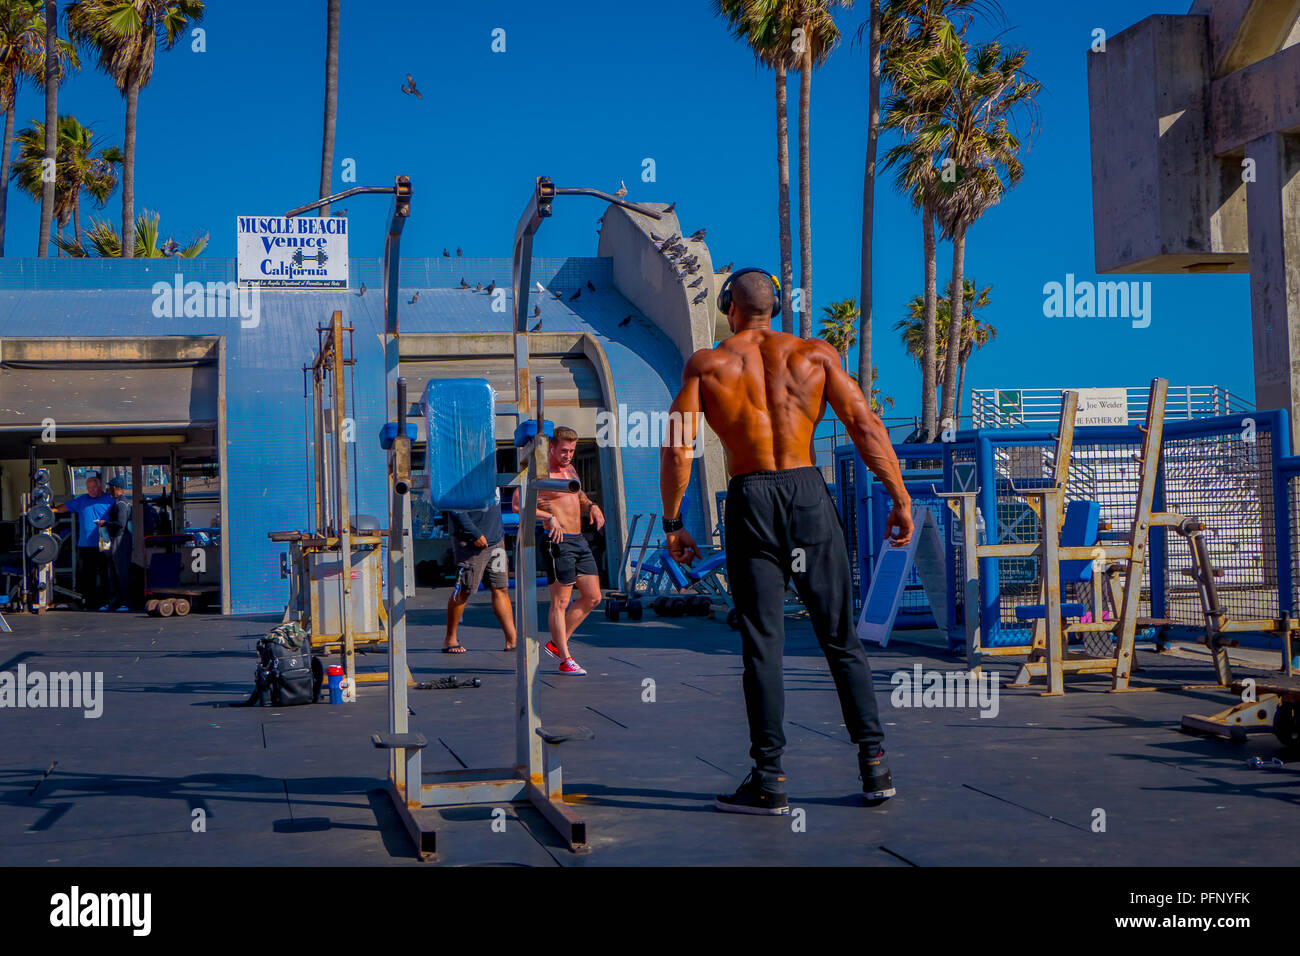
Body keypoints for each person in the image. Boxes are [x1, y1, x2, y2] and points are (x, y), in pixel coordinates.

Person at [658, 268, 914, 815]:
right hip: (806, 492)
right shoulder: (817, 356)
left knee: (763, 644)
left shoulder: (709, 365)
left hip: (751, 498)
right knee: (840, 636)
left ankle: (769, 779)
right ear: (775, 308)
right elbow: (866, 426)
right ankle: (875, 766)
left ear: (729, 306)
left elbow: (679, 450)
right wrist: (900, 497)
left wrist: (673, 522)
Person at [513, 426, 605, 676]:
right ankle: (565, 658)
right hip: (557, 540)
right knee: (561, 601)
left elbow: (579, 494)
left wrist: (593, 506)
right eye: (564, 450)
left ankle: (556, 642)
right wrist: (548, 517)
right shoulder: (540, 472)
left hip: (579, 540)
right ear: (551, 447)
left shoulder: (569, 469)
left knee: (593, 596)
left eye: (572, 450)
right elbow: (517, 505)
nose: (568, 455)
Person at [443, 492, 516, 653]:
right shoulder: (463, 472)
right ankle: (450, 639)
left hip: (496, 540)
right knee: (465, 589)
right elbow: (453, 506)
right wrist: (473, 533)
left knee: (501, 587)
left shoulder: (491, 471)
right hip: (471, 542)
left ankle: (512, 640)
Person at [52, 471, 116, 611]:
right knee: (86, 575)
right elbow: (65, 507)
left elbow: (118, 521)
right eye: (89, 488)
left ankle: (106, 601)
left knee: (105, 574)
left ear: (100, 487)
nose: (91, 491)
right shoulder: (82, 500)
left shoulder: (110, 501)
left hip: (103, 544)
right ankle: (88, 602)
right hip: (85, 545)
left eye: (94, 488)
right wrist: (52, 510)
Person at [104, 476, 133, 612]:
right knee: (113, 571)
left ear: (115, 488)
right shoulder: (119, 503)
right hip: (117, 538)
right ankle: (115, 601)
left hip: (120, 539)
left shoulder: (121, 504)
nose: (108, 489)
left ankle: (125, 602)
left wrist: (105, 524)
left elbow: (121, 524)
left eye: (110, 487)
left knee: (121, 571)